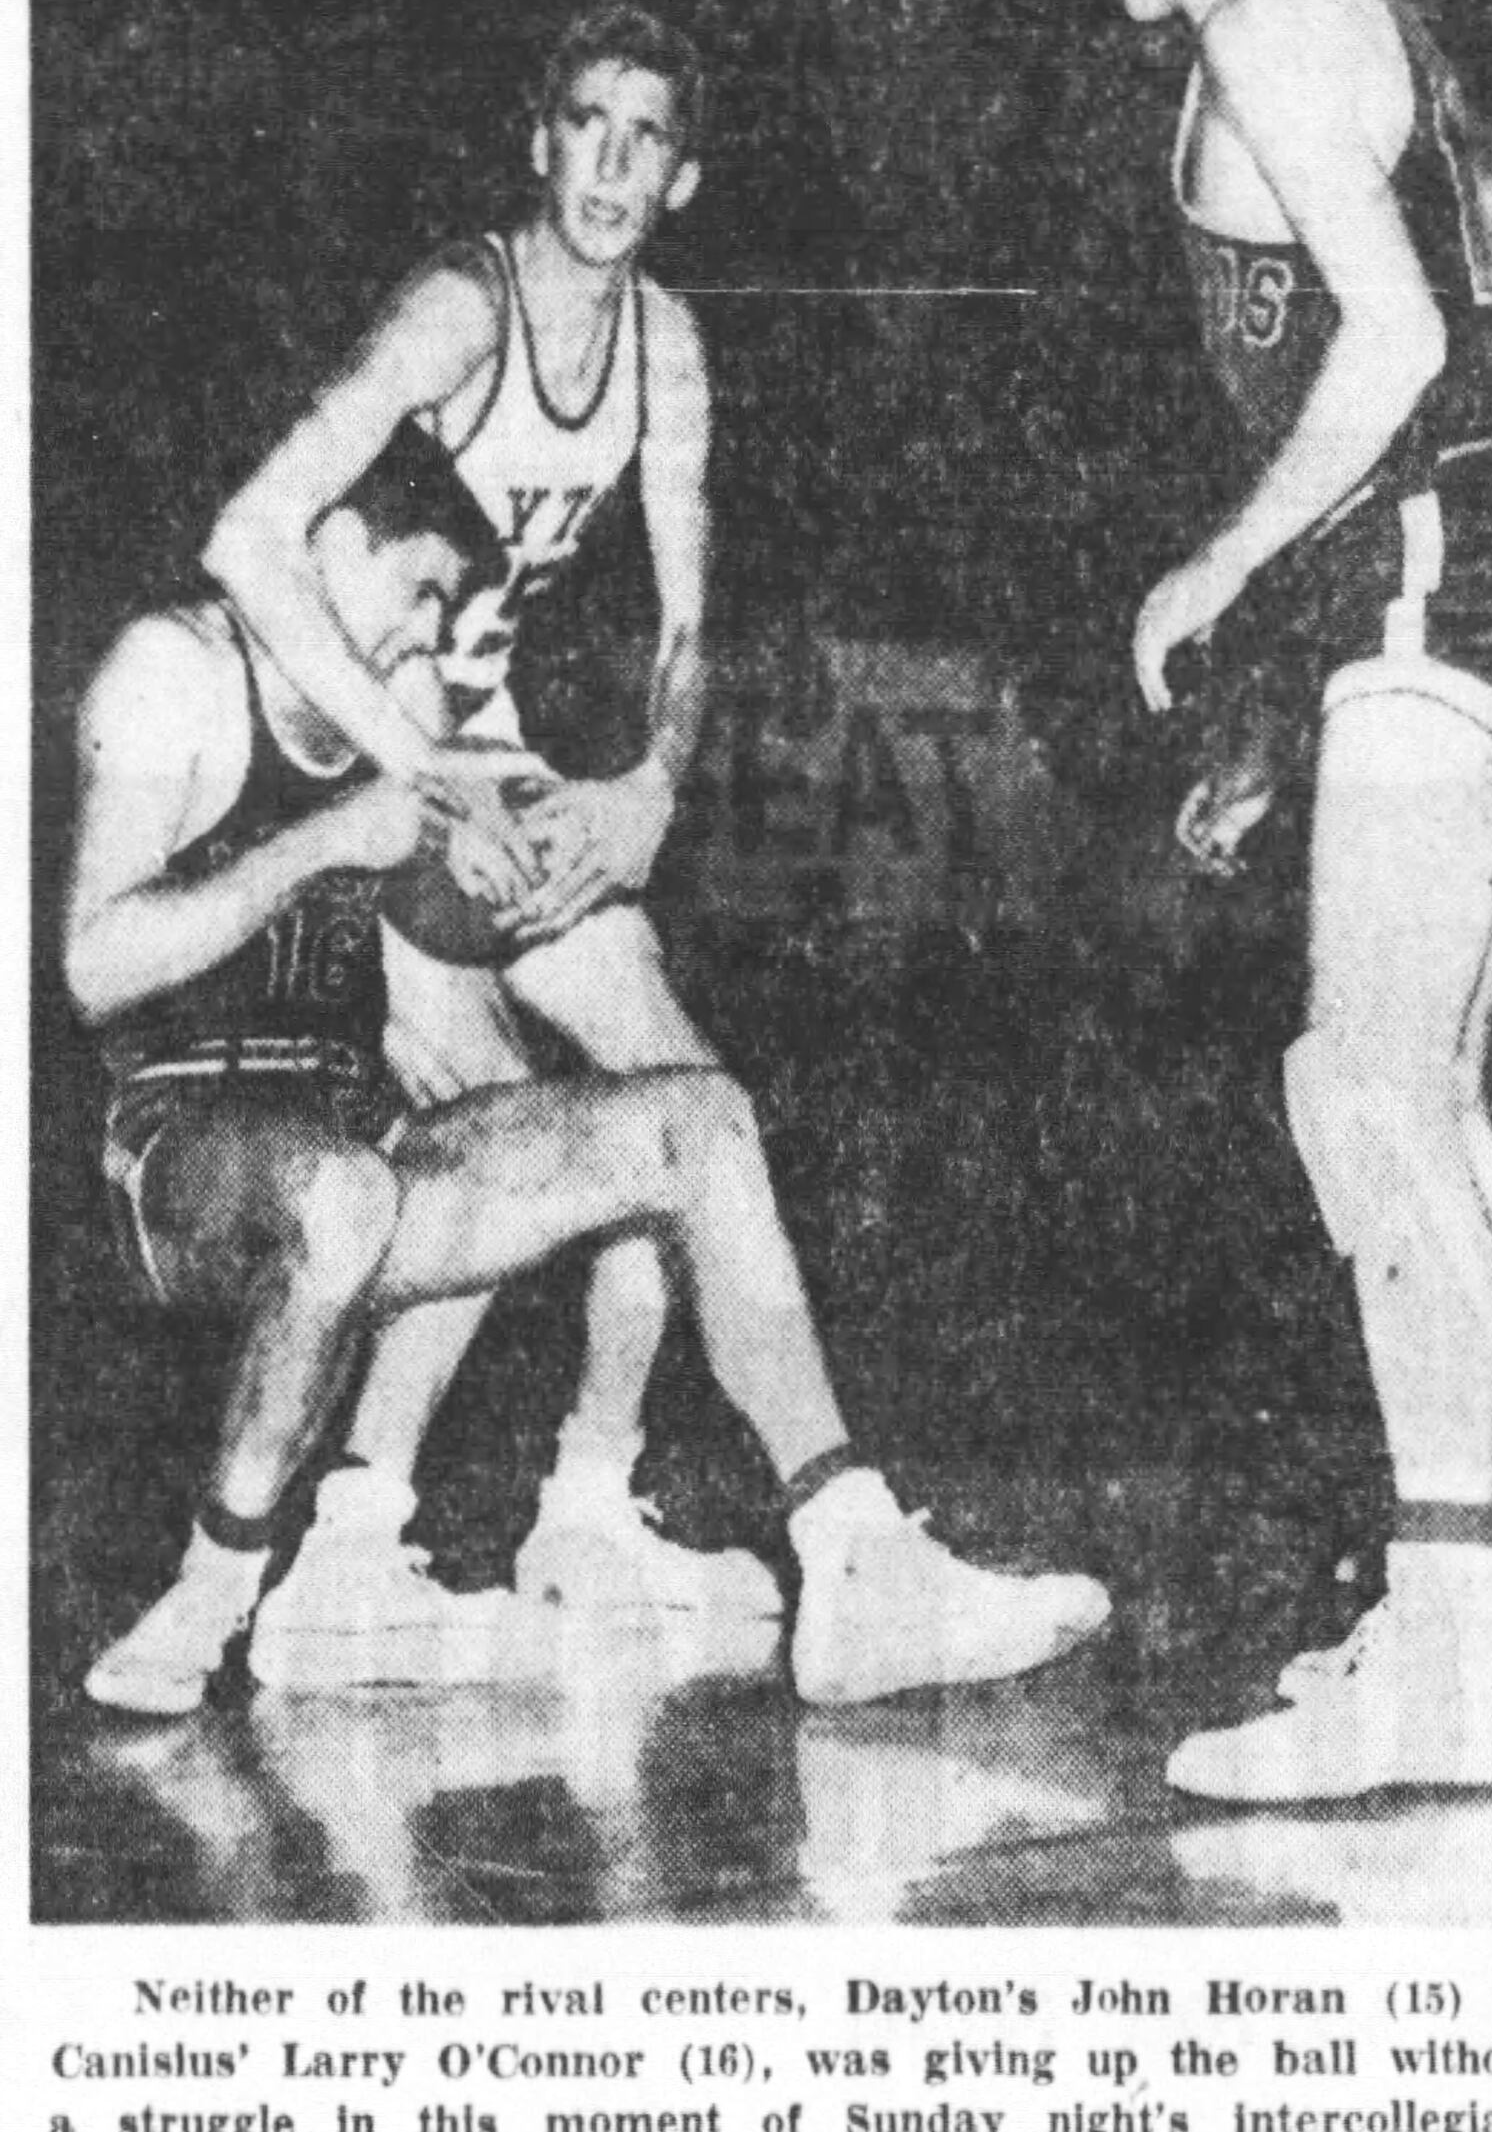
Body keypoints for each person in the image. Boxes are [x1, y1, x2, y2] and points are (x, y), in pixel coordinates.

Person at [68, 426, 1110, 1719]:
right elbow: (95, 966)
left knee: (698, 1120)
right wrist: (328, 841)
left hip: (363, 1165)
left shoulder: (418, 727)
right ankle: (209, 1590)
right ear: (332, 545)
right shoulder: (175, 670)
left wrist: (561, 847)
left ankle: (854, 1553)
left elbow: (464, 906)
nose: (428, 643)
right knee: (342, 1193)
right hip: (176, 1157)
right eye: (420, 595)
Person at [1047, 0, 1492, 1802]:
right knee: (1400, 1110)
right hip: (1453, 600)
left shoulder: (1266, 17)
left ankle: (1474, 1648)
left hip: (1436, 594)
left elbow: (1410, 344)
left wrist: (1212, 569)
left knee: (1370, 1101)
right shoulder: (1343, 10)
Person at [201, 4, 771, 1647]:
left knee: (675, 1099)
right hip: (357, 767)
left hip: (496, 762)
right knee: (512, 1138)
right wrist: (414, 771)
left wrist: (651, 783)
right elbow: (253, 536)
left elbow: (683, 627)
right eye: (585, 124)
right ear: (540, 142)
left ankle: (590, 1503)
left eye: (644, 136)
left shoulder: (665, 346)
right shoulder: (465, 308)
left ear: (682, 175)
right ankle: (346, 1540)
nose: (609, 162)